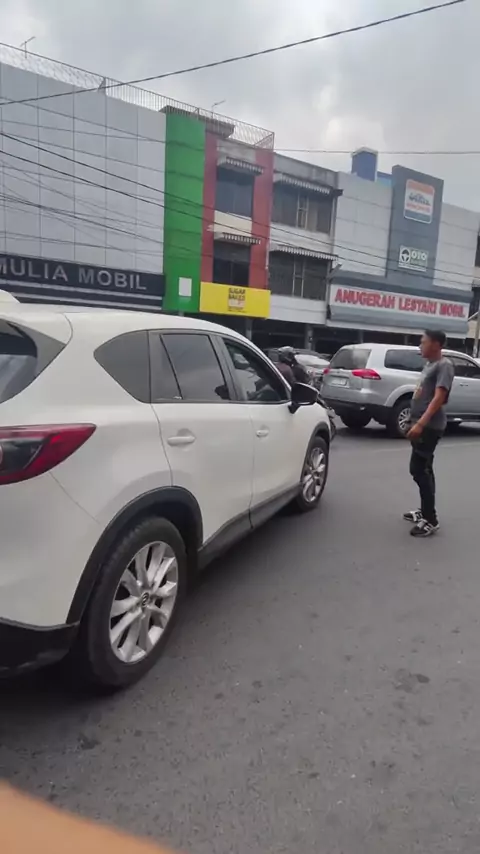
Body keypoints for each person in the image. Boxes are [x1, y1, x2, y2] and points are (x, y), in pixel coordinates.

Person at [404, 329, 454, 538]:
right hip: (421, 423)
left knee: (418, 469)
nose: (420, 345)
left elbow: (439, 398)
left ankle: (430, 520)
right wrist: (411, 419)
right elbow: (421, 394)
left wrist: (421, 424)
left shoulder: (444, 365)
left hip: (430, 427)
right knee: (425, 469)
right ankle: (425, 511)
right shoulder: (429, 365)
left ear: (436, 344)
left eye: (423, 342)